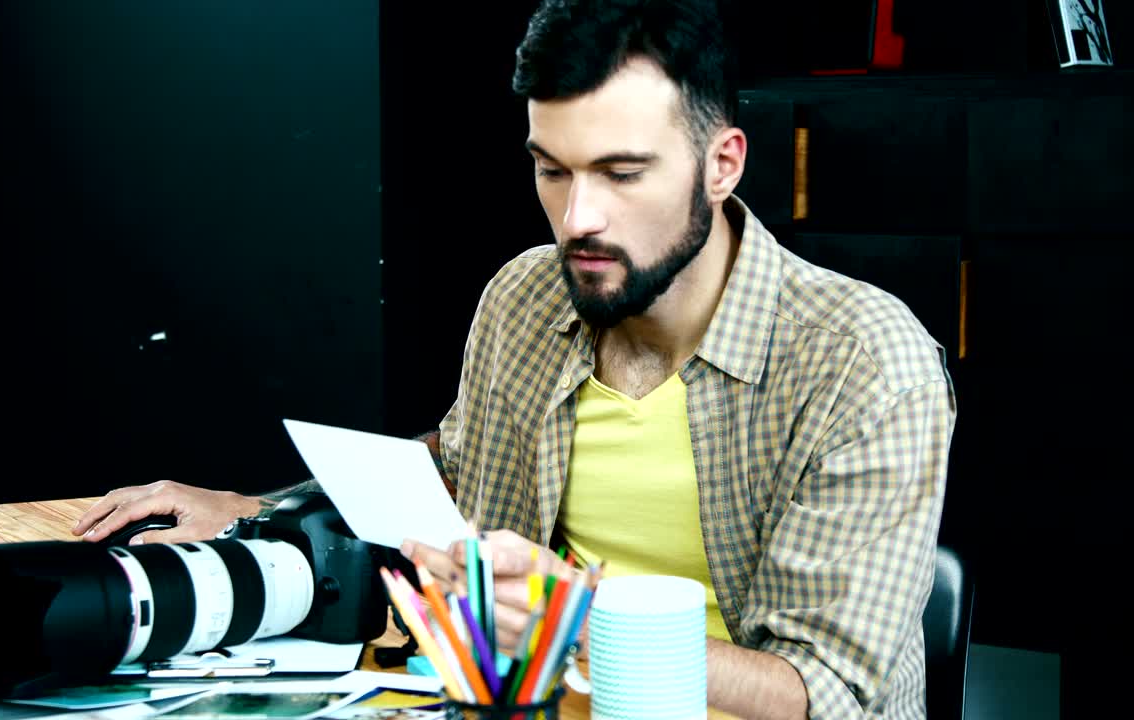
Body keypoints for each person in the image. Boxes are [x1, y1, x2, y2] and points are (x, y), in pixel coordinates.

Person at [74, 1, 955, 717]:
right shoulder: (527, 298)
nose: (578, 220)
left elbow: (821, 695)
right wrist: (255, 510)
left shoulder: (865, 364)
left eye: (621, 173)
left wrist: (574, 618)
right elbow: (453, 471)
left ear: (722, 164)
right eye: (553, 170)